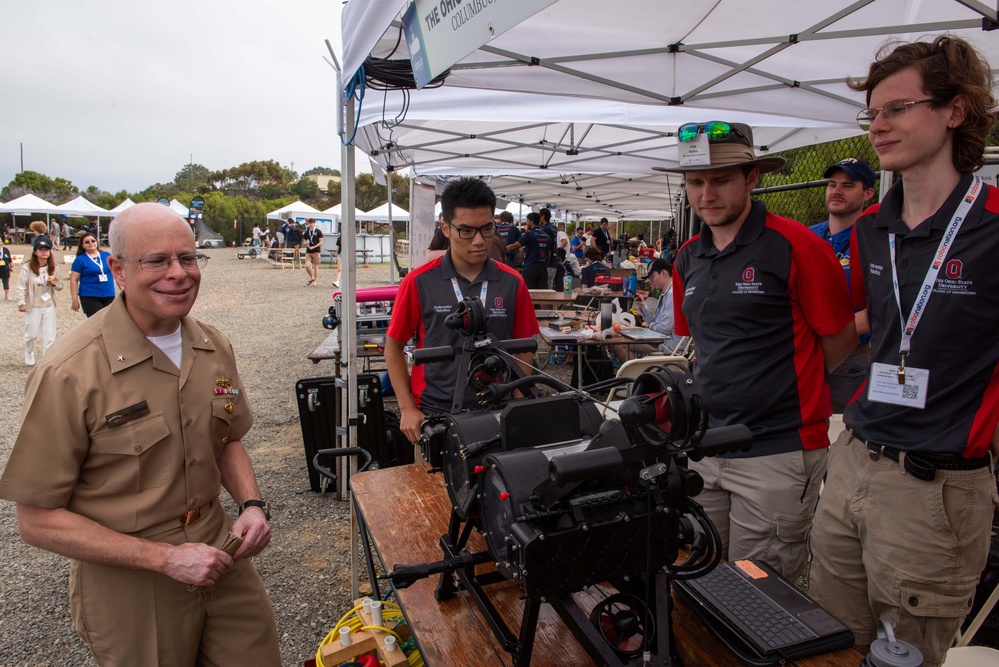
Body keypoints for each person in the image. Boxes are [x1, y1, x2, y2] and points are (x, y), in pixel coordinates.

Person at [0, 203, 281, 665]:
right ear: (119, 270)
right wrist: (163, 559)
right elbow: (36, 520)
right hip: (131, 578)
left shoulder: (212, 345)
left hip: (220, 554)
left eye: (188, 258)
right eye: (157, 261)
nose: (179, 274)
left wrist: (251, 504)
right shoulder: (70, 371)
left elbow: (228, 438)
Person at [807, 36, 999, 667]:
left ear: (955, 111)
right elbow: (873, 326)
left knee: (903, 659)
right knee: (832, 644)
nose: (877, 127)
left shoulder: (994, 223)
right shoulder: (872, 230)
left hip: (934, 485)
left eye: (897, 109)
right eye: (872, 114)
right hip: (856, 458)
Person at [663, 121, 856, 582]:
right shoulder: (688, 255)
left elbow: (841, 339)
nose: (707, 194)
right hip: (705, 444)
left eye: (721, 180)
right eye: (696, 182)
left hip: (777, 450)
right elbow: (703, 345)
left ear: (752, 178)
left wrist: (780, 385)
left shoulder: (798, 246)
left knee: (761, 590)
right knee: (700, 576)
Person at [385, 178, 539, 444]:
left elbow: (523, 346)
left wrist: (519, 396)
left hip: (498, 409)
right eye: (466, 231)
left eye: (487, 229)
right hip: (435, 412)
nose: (479, 241)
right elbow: (393, 346)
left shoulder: (512, 282)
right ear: (445, 227)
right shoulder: (419, 282)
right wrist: (407, 408)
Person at [809, 158, 878, 412]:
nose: (836, 191)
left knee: (841, 435)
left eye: (848, 185)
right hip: (805, 355)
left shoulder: (875, 240)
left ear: (868, 193)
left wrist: (832, 343)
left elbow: (881, 308)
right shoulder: (808, 235)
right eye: (832, 184)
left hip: (850, 359)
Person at [614, 258, 683, 360]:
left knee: (619, 344)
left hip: (668, 344)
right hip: (660, 339)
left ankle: (635, 375)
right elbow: (656, 323)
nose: (650, 281)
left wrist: (647, 327)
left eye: (652, 277)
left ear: (664, 273)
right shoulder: (665, 293)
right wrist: (643, 306)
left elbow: (664, 328)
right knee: (620, 338)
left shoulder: (672, 294)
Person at [15, 234, 64, 366]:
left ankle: (46, 359)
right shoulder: (27, 268)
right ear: (35, 252)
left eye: (46, 249)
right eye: (41, 249)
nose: (44, 252)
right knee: (32, 333)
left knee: (50, 334)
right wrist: (21, 303)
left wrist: (54, 284)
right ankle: (29, 351)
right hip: (33, 305)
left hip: (49, 304)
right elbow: (21, 286)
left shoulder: (54, 268)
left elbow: (60, 286)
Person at [70, 232, 116, 317]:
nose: (90, 243)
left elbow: (116, 273)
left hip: (109, 293)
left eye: (93, 241)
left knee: (111, 320)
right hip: (90, 295)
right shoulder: (80, 260)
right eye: (87, 242)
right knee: (97, 321)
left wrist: (124, 291)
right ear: (83, 245)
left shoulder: (107, 255)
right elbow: (74, 279)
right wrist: (74, 299)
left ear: (97, 242)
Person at [506, 212, 554, 289]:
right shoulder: (547, 236)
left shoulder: (529, 234)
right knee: (543, 295)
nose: (527, 223)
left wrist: (501, 248)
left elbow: (515, 246)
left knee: (529, 294)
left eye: (527, 221)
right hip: (543, 269)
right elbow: (549, 253)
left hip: (530, 269)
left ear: (531, 222)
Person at [303, 218, 323, 286]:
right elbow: (304, 240)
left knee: (315, 266)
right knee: (306, 265)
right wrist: (305, 242)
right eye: (309, 223)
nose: (311, 225)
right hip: (309, 250)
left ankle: (315, 281)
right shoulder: (307, 232)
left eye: (312, 223)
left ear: (314, 223)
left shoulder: (318, 231)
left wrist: (314, 247)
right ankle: (312, 277)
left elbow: (321, 242)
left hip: (316, 251)